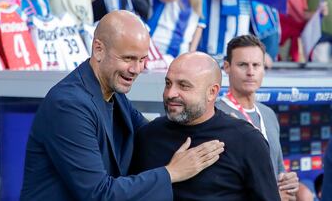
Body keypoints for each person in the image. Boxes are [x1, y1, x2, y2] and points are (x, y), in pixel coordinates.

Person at [20, 10, 225, 200]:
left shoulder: (112, 93)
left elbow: (154, 135)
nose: (136, 69)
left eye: (142, 59)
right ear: (99, 49)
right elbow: (99, 194)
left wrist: (222, 126)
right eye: (128, 58)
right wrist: (171, 173)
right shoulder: (68, 106)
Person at [132, 51, 281, 200]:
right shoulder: (148, 135)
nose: (170, 93)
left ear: (212, 92)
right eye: (168, 83)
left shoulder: (247, 140)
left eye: (183, 86)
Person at [215, 34, 299, 201]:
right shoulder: (216, 114)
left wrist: (288, 183)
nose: (250, 72)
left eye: (256, 65)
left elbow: (278, 168)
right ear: (226, 67)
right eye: (242, 65)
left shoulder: (268, 114)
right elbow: (218, 184)